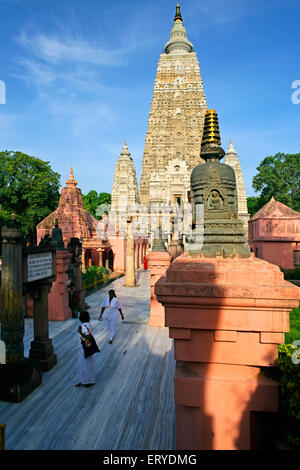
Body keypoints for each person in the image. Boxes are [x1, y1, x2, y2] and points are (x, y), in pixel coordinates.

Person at [76, 311, 96, 388]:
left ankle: (86, 381)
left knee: (83, 365)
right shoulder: (88, 325)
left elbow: (88, 337)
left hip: (84, 348)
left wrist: (80, 333)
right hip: (88, 348)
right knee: (87, 364)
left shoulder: (83, 326)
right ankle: (86, 380)